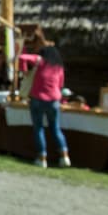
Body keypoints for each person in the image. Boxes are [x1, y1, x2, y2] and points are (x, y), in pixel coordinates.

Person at [19, 38, 71, 169]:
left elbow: (22, 57)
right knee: (56, 129)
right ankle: (64, 156)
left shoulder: (39, 60)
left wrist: (24, 70)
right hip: (54, 100)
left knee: (39, 128)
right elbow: (60, 85)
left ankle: (42, 158)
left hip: (37, 99)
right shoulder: (59, 67)